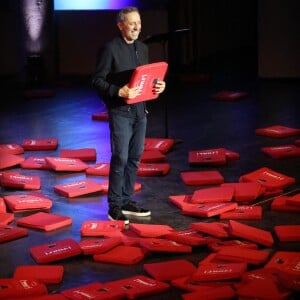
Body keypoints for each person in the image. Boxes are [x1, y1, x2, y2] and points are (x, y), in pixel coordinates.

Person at [91, 6, 166, 224]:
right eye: (132, 23)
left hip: (140, 111)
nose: (137, 27)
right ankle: (114, 207)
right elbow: (96, 80)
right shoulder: (110, 49)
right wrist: (118, 91)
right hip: (120, 112)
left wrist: (158, 86)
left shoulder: (143, 48)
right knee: (121, 158)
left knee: (134, 158)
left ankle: (126, 201)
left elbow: (145, 78)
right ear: (120, 25)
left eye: (139, 23)